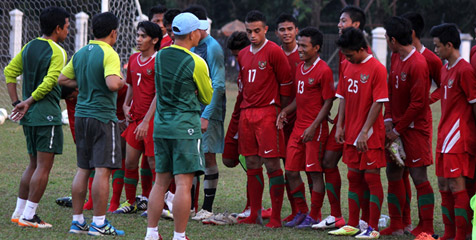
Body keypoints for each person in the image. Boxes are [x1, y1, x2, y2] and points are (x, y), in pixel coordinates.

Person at [144, 12, 213, 240]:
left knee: (160, 182)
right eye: (199, 30)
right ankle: (179, 236)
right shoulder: (196, 62)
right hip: (185, 128)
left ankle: (151, 233)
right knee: (183, 183)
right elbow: (206, 96)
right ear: (193, 34)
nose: (201, 33)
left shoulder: (160, 55)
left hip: (161, 126)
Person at [58, 12, 125, 236]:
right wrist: (121, 79)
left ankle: (77, 221)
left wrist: (87, 79)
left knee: (83, 169)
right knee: (102, 171)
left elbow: (63, 80)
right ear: (113, 32)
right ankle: (98, 223)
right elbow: (113, 83)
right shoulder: (110, 53)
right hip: (103, 117)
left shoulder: (81, 52)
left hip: (82, 116)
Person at [5, 6, 69, 228]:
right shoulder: (57, 51)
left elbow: (9, 72)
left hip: (29, 117)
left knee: (32, 164)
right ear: (58, 28)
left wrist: (17, 102)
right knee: (43, 166)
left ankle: (18, 212)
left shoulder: (30, 45)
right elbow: (51, 81)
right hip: (46, 116)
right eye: (67, 27)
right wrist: (28, 101)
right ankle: (30, 215)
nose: (68, 31)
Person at [329, 27, 387, 239]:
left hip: (369, 134)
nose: (347, 58)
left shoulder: (377, 69)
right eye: (345, 55)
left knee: (372, 178)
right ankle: (353, 224)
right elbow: (343, 96)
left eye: (350, 55)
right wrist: (340, 125)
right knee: (353, 176)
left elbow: (377, 103)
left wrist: (364, 132)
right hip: (350, 132)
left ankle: (373, 228)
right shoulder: (347, 65)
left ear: (362, 49)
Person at [236, 10, 293, 228]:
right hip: (246, 113)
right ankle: (255, 212)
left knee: (272, 163)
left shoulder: (274, 52)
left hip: (268, 113)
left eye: (257, 31)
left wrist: (282, 111)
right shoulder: (242, 54)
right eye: (249, 31)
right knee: (251, 162)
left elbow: (286, 85)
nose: (252, 35)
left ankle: (276, 216)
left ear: (266, 29)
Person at [314, 6, 368, 230]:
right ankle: (336, 215)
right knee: (328, 162)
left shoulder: (365, 57)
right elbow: (344, 93)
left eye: (343, 21)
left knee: (363, 173)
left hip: (361, 126)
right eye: (338, 21)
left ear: (355, 25)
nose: (338, 25)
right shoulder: (347, 56)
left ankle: (367, 218)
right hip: (343, 122)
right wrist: (339, 120)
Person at [381, 16, 435, 237]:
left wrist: (397, 130)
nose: (385, 40)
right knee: (393, 171)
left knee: (418, 176)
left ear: (393, 40)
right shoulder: (395, 57)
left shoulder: (419, 63)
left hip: (414, 129)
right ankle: (397, 224)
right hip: (396, 126)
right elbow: (390, 91)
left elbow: (418, 104)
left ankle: (427, 227)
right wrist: (387, 120)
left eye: (385, 37)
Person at [277, 27, 334, 229]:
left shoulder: (324, 70)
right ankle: (301, 211)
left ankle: (315, 215)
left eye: (303, 45)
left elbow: (328, 101)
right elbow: (299, 100)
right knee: (291, 171)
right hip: (298, 128)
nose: (299, 48)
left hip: (314, 130)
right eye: (299, 45)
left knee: (314, 173)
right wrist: (285, 111)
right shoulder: (300, 67)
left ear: (316, 48)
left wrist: (314, 126)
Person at [431, 23, 476, 240]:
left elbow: (474, 104)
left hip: (458, 138)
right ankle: (449, 233)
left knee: (457, 185)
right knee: (443, 184)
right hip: (443, 135)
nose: (436, 50)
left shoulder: (465, 69)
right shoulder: (444, 68)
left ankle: (461, 235)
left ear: (449, 45)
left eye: (438, 46)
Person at [114, 21, 162, 214]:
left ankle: (157, 202)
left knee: (154, 164)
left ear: (155, 40)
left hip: (152, 121)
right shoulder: (133, 58)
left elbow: (159, 94)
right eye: (137, 35)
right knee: (130, 161)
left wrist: (146, 121)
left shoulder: (159, 60)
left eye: (143, 36)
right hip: (135, 120)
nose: (138, 39)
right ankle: (130, 202)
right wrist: (126, 104)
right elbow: (131, 85)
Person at [185, 4, 226, 221]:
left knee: (208, 156)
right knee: (192, 157)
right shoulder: (191, 46)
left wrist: (206, 115)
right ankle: (189, 207)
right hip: (193, 111)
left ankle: (207, 208)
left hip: (209, 113)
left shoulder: (213, 48)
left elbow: (218, 86)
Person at [275, 13, 307, 223]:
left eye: (290, 29)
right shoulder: (275, 54)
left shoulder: (304, 53)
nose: (286, 33)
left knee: (311, 168)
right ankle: (297, 210)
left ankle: (312, 213)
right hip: (281, 119)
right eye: (282, 29)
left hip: (304, 119)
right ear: (276, 32)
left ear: (296, 30)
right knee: (288, 166)